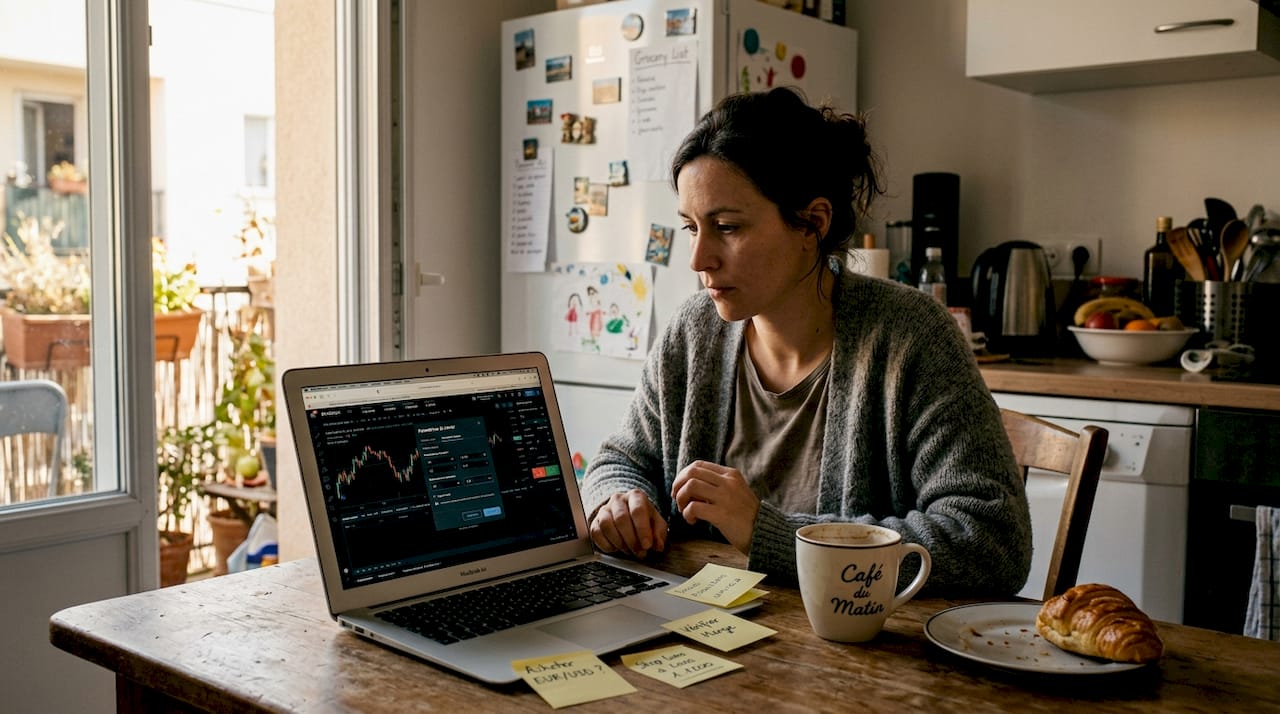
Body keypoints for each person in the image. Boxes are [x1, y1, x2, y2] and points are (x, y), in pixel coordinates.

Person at [578, 87, 1032, 595]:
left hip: (856, 662)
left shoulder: (911, 338)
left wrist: (768, 534)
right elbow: (621, 460)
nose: (698, 258)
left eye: (726, 227)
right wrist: (619, 499)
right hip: (700, 639)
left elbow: (992, 543)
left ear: (813, 224)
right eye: (691, 227)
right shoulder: (692, 333)